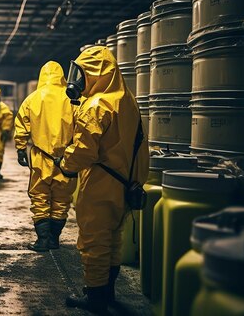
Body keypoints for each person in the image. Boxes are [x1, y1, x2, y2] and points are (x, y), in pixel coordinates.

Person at [56, 46, 149, 313]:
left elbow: (84, 150)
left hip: (100, 184)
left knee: (94, 242)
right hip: (126, 184)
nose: (78, 79)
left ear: (95, 73)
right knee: (113, 238)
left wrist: (66, 164)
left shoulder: (96, 106)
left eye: (82, 73)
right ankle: (107, 293)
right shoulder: (127, 100)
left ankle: (95, 298)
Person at [13, 61, 77, 252]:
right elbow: (83, 127)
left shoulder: (32, 99)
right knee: (61, 200)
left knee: (40, 197)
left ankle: (42, 240)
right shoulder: (73, 99)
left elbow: (21, 125)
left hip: (41, 157)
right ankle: (54, 240)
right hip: (67, 159)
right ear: (62, 76)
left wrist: (20, 148)